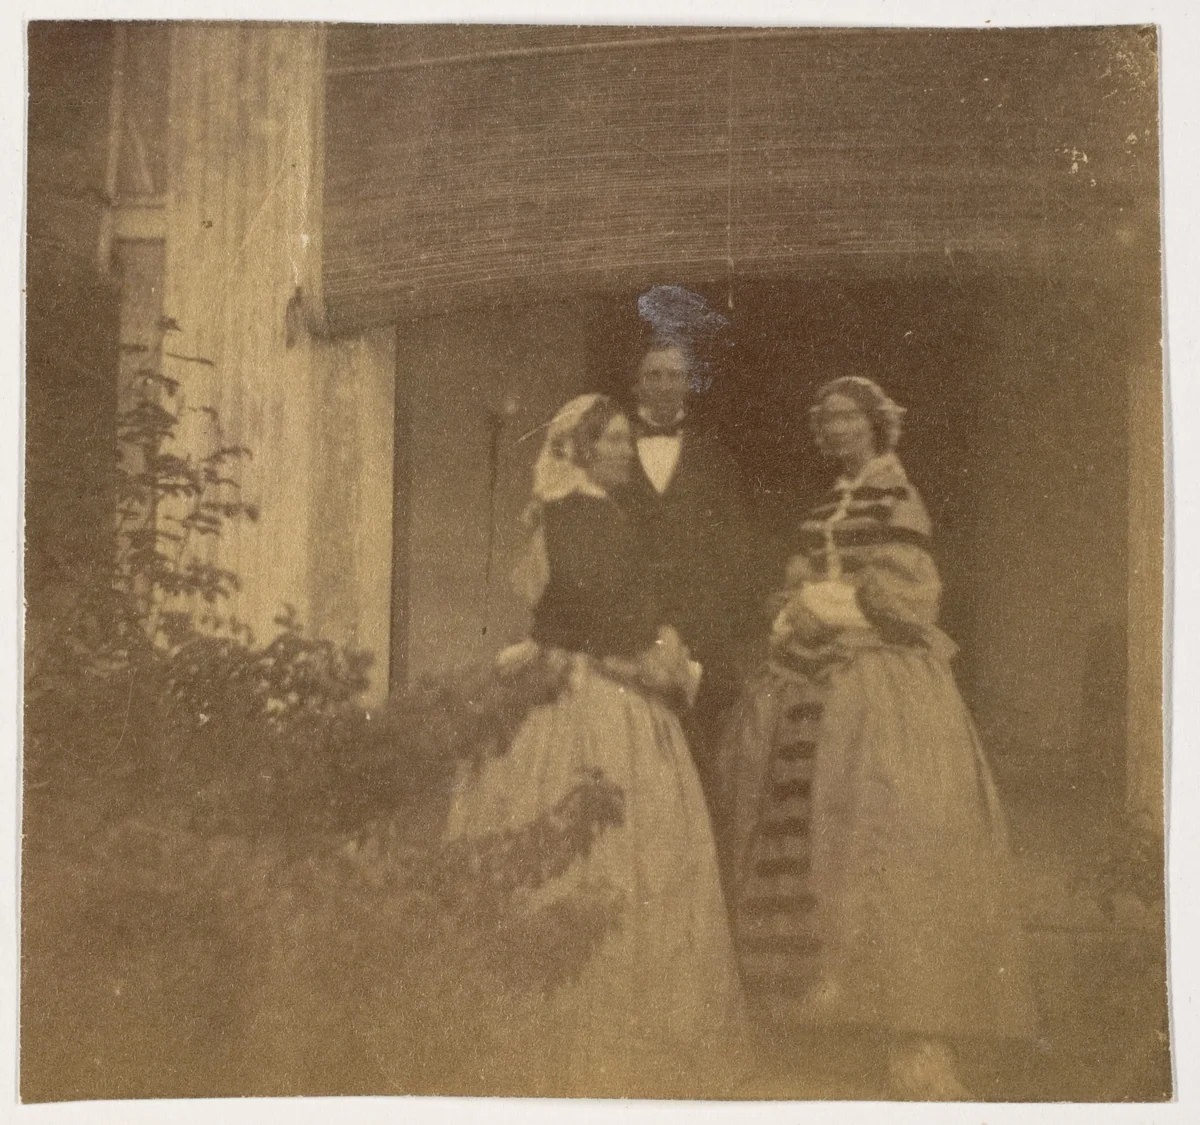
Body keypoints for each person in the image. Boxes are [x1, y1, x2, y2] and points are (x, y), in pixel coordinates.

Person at [717, 375, 1037, 1100]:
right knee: (820, 842)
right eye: (825, 419)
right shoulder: (831, 498)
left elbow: (913, 597)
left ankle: (912, 1031)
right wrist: (795, 607)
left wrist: (834, 607)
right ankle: (820, 1013)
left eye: (846, 418)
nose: (834, 429)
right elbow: (805, 582)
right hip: (813, 682)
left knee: (884, 839)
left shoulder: (897, 494)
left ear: (875, 425)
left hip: (879, 684)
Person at [444, 393, 748, 1099]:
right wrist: (661, 661)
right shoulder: (585, 513)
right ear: (581, 449)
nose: (621, 452)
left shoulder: (576, 510)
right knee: (604, 842)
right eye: (610, 441)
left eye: (623, 441)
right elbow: (594, 611)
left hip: (563, 672)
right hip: (589, 687)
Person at [619, 286, 756, 804]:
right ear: (636, 382)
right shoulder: (614, 450)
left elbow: (734, 547)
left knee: (703, 757)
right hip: (633, 620)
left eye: (674, 374)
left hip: (701, 626)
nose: (664, 384)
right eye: (654, 374)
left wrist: (709, 620)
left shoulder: (712, 458)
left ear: (689, 383)